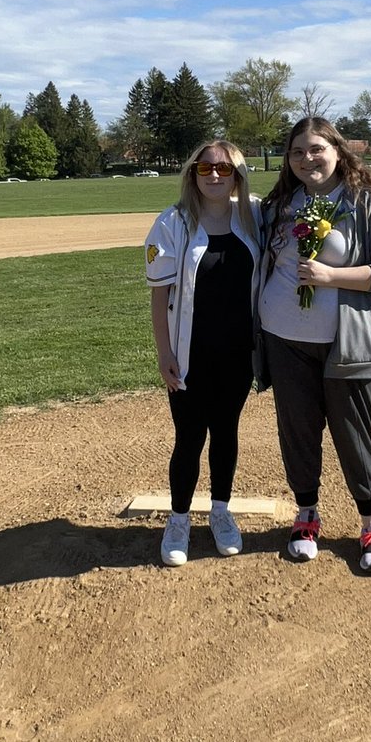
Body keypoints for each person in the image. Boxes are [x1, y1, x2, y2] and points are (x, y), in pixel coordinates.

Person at [257, 117, 371, 574]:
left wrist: (330, 276)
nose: (308, 159)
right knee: (298, 431)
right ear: (288, 160)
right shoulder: (282, 204)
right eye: (297, 152)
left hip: (347, 344)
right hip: (284, 339)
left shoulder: (367, 203)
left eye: (317, 149)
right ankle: (306, 515)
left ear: (338, 151)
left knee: (352, 433)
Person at [145, 141, 261, 567]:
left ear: (238, 174)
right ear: (192, 173)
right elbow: (159, 298)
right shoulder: (172, 222)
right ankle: (178, 520)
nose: (214, 175)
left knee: (226, 432)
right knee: (189, 437)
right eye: (205, 167)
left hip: (237, 354)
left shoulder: (254, 215)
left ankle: (219, 510)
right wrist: (164, 354)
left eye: (225, 168)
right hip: (189, 355)